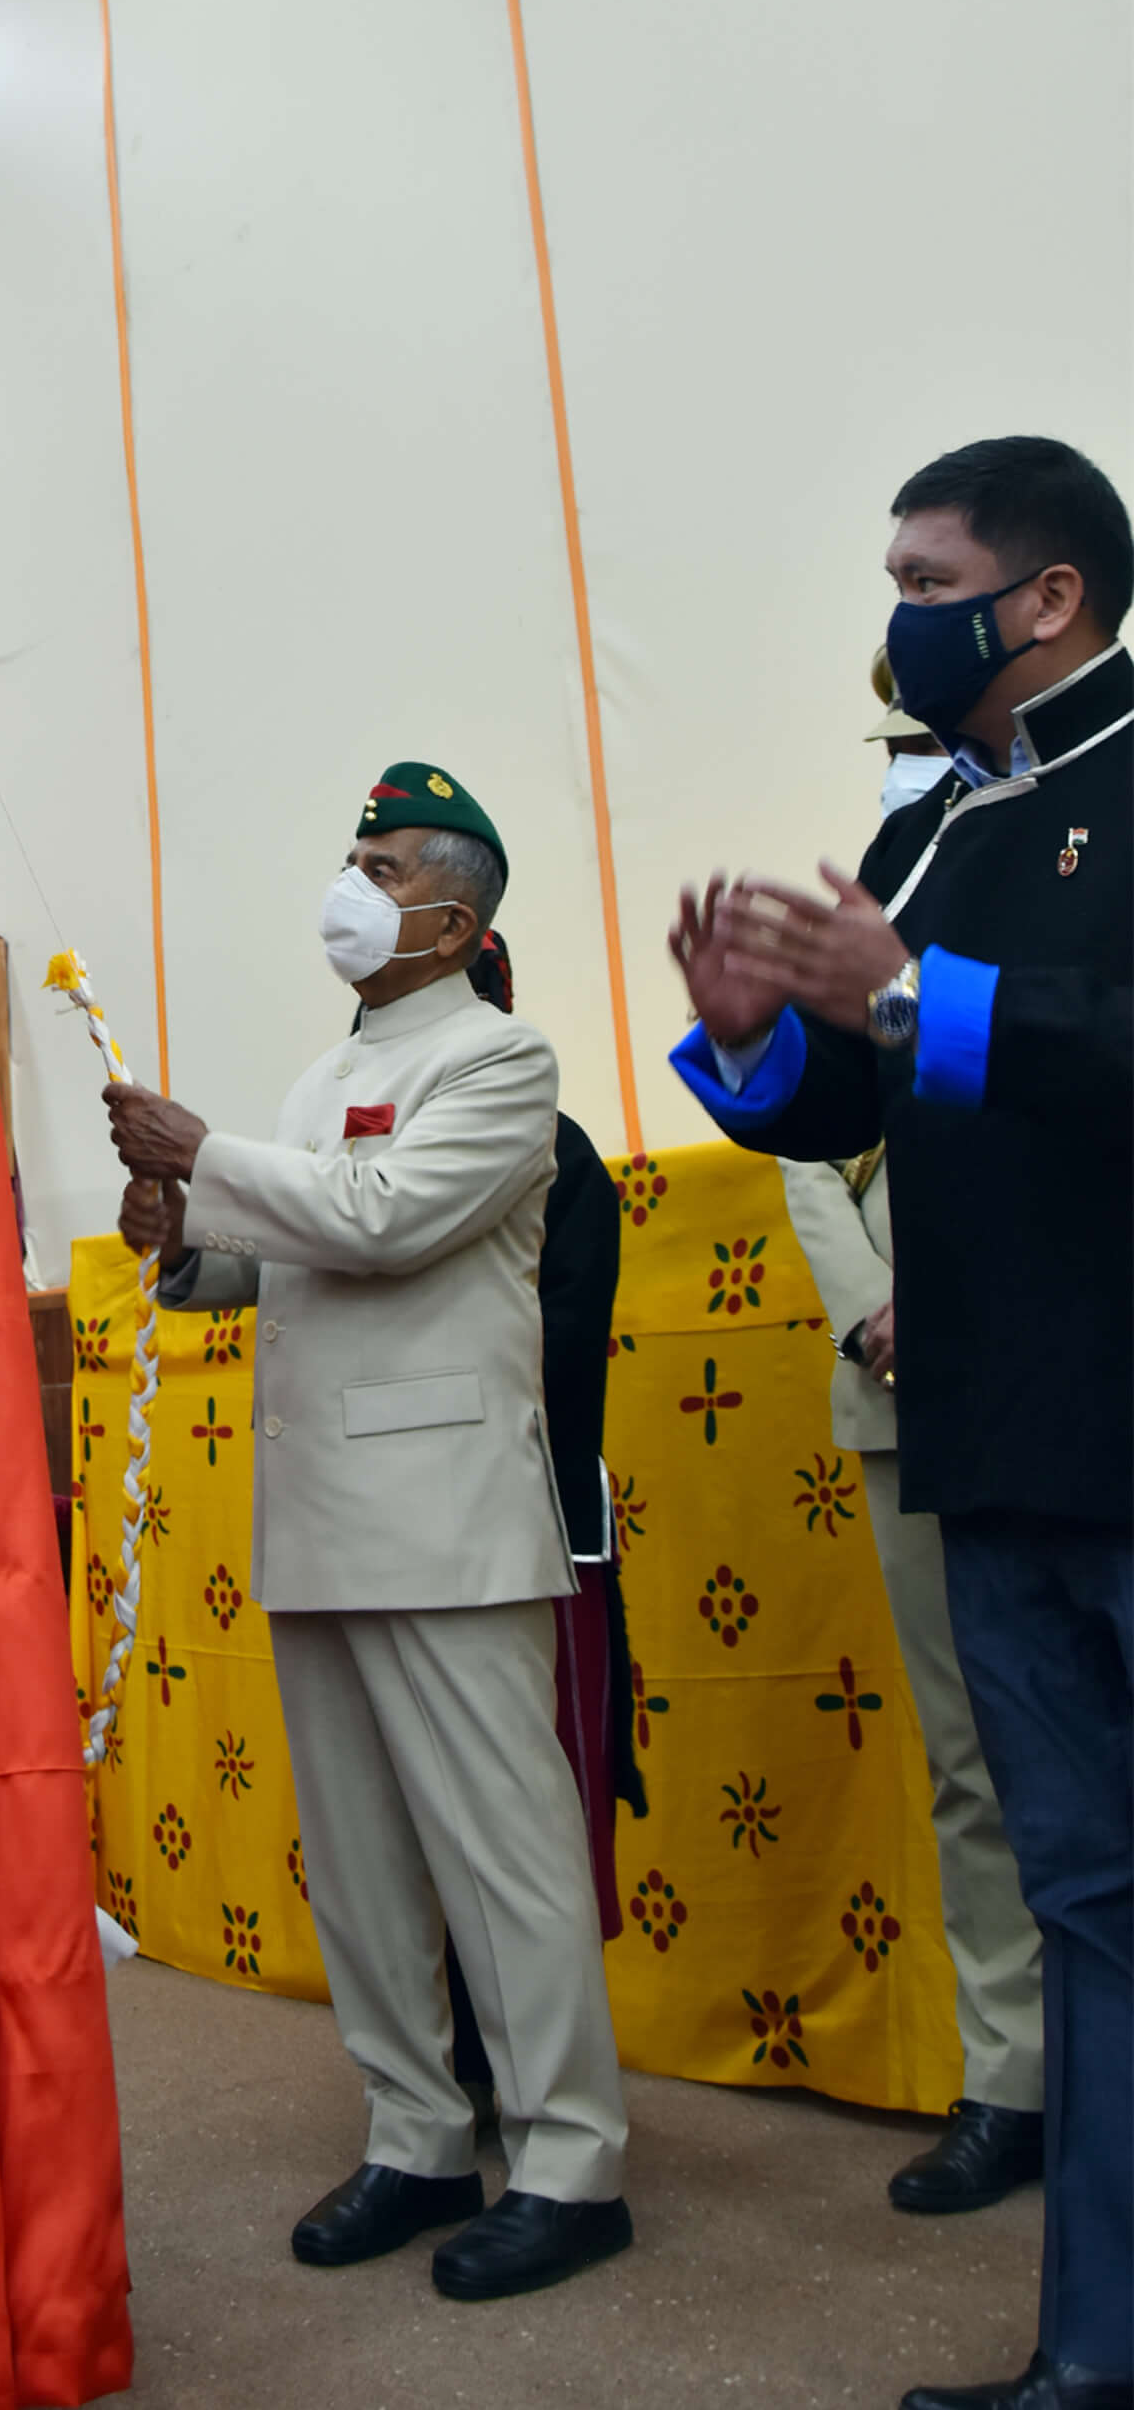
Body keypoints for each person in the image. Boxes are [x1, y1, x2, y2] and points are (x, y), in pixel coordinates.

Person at [668, 437, 1128, 2410]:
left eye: (928, 579)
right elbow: (857, 1101)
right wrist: (759, 1035)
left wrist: (919, 991)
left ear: (1048, 595)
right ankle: (1094, 2347)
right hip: (1000, 1436)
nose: (900, 615)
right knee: (1085, 1907)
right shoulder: (937, 820)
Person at [107, 766, 633, 2303]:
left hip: (446, 1515)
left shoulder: (501, 1058)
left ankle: (571, 2160)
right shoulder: (319, 1078)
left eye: (386, 865)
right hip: (323, 1512)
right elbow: (295, 1258)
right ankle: (419, 2134)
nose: (353, 881)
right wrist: (185, 1242)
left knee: (506, 1859)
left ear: (456, 921)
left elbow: (387, 1217)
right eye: (354, 855)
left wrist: (205, 1156)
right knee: (359, 1865)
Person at [767, 651, 1047, 2220]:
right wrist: (878, 1306)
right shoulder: (886, 907)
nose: (911, 772)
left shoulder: (1071, 876)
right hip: (900, 1393)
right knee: (971, 1759)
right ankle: (1013, 2076)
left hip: (1057, 1369)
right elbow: (819, 1148)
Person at [442, 929, 643, 2133]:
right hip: (411, 1531)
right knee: (425, 1817)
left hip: (536, 1526)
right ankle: (460, 2064)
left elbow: (556, 1354)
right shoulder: (375, 1148)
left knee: (538, 1814)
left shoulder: (562, 1158)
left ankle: (549, 2087)